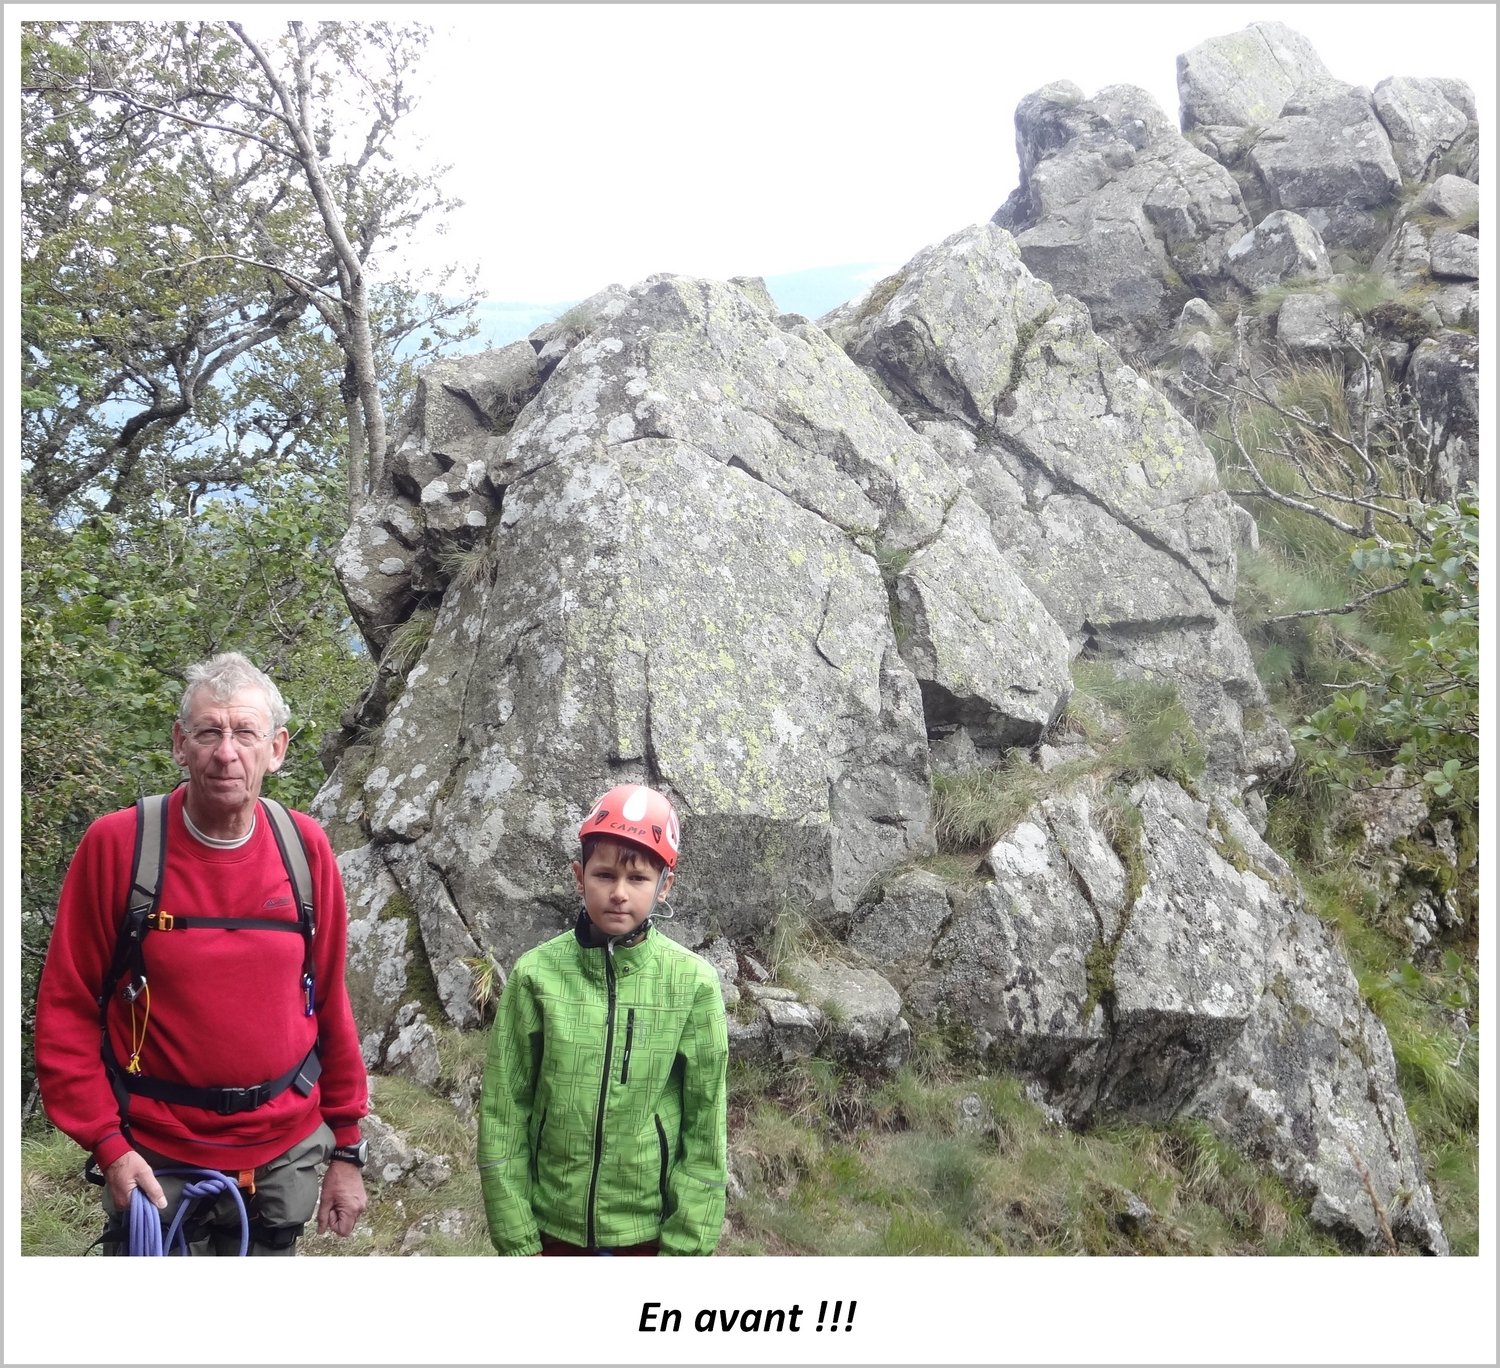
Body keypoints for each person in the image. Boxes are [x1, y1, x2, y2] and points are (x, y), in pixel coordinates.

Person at [34, 652, 370, 1255]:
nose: (226, 752)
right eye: (209, 732)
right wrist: (108, 1144)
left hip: (283, 1151)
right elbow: (67, 1007)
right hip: (156, 1149)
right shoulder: (119, 847)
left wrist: (347, 1147)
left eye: (245, 733)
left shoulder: (305, 849)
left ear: (277, 749)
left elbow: (328, 1000)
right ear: (179, 744)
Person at [478, 783, 729, 1256]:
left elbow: (706, 1124)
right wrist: (516, 1236)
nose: (618, 893)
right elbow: (504, 1110)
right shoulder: (536, 975)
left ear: (664, 884)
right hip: (551, 1227)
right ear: (579, 876)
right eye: (604, 874)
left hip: (646, 1235)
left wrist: (686, 1249)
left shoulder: (692, 984)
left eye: (637, 879)